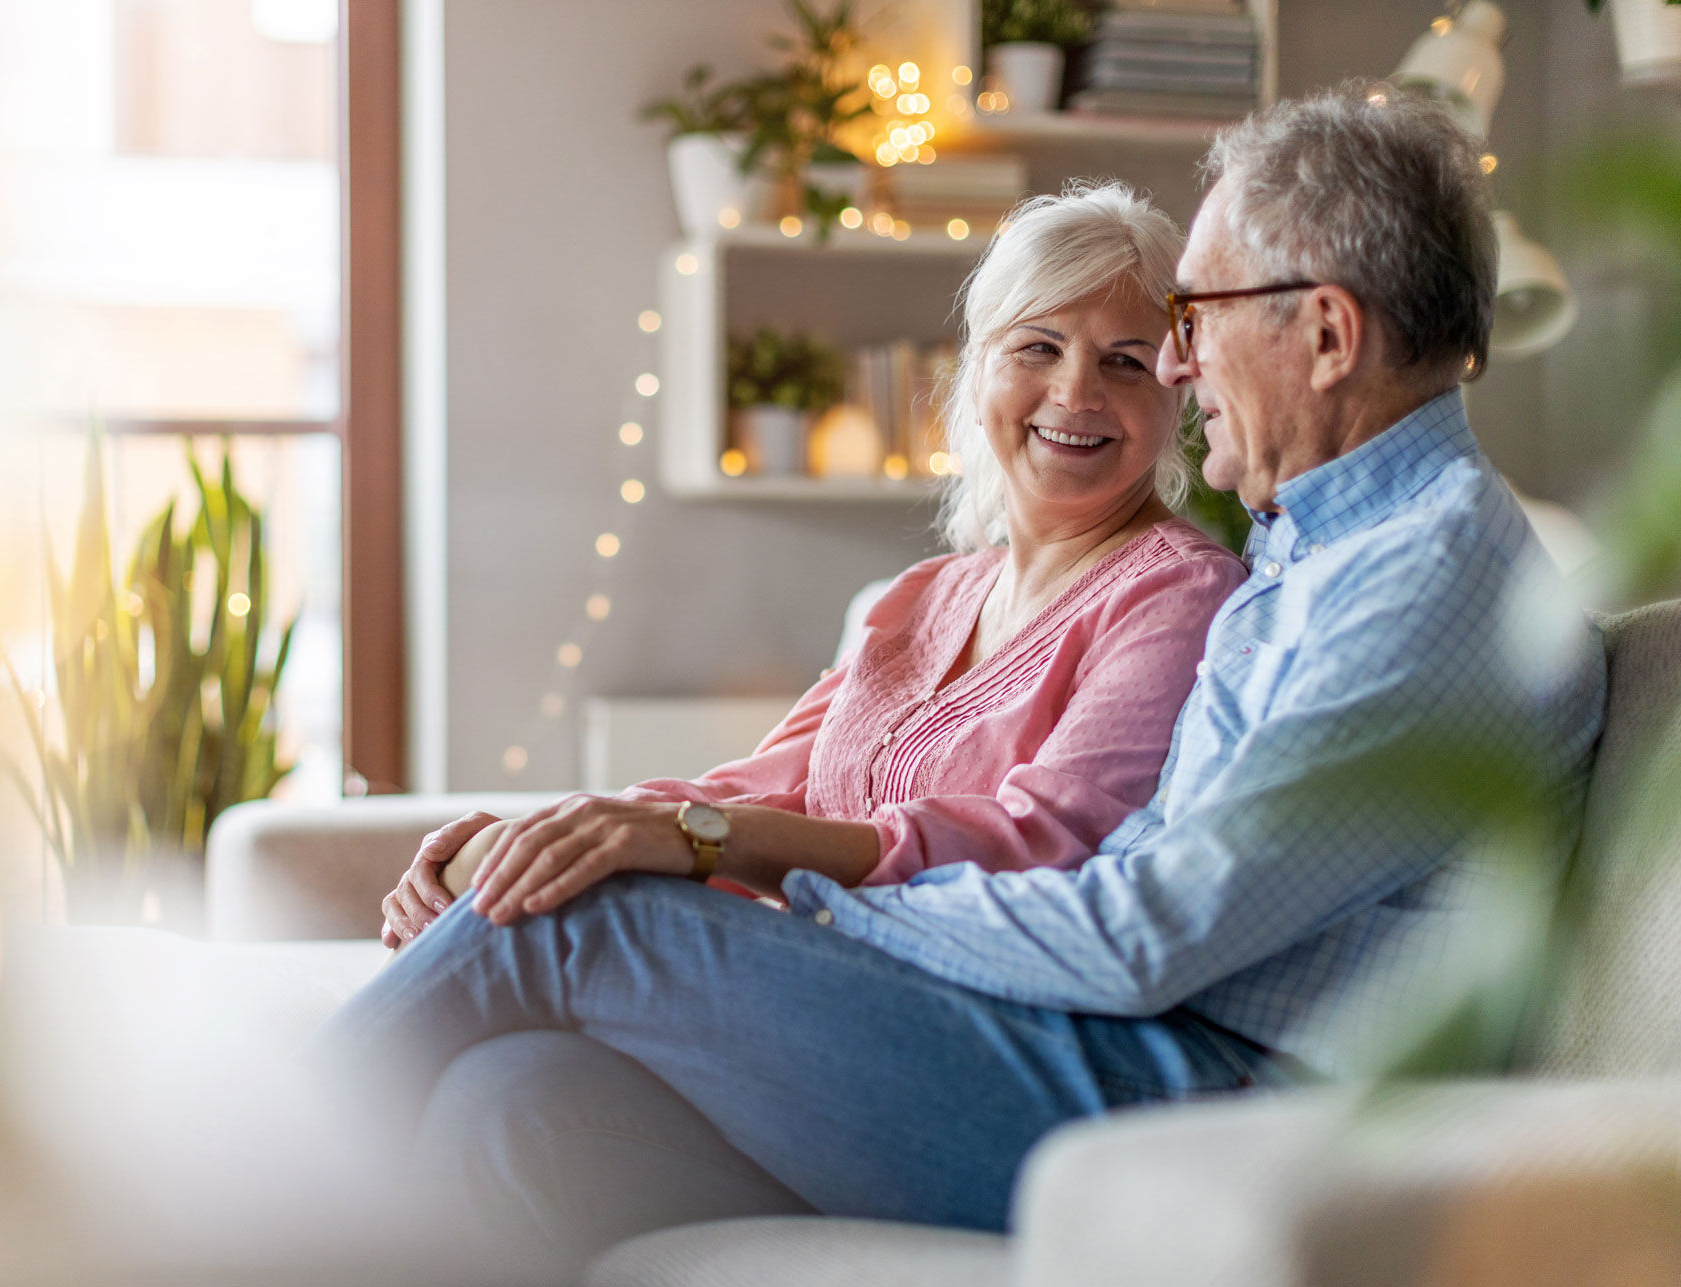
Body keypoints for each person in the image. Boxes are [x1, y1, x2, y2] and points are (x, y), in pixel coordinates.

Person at [312, 83, 1607, 1284]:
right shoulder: (1317, 548)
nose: (1172, 364)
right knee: (520, 1102)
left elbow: (1138, 929)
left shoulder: (1423, 577)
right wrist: (657, 850)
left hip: (1220, 1101)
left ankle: (182, 1210)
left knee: (590, 921)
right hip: (1129, 1051)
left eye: (1190, 319)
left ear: (1324, 333)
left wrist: (802, 904)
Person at [380, 182, 1247, 949]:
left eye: (1125, 362)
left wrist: (682, 836)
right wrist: (554, 827)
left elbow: (1037, 841)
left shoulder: (1176, 592)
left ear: (1176, 398)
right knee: (505, 1074)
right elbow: (752, 791)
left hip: (942, 998)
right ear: (978, 372)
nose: (1075, 392)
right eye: (1039, 347)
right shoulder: (924, 597)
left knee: (539, 923)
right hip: (814, 960)